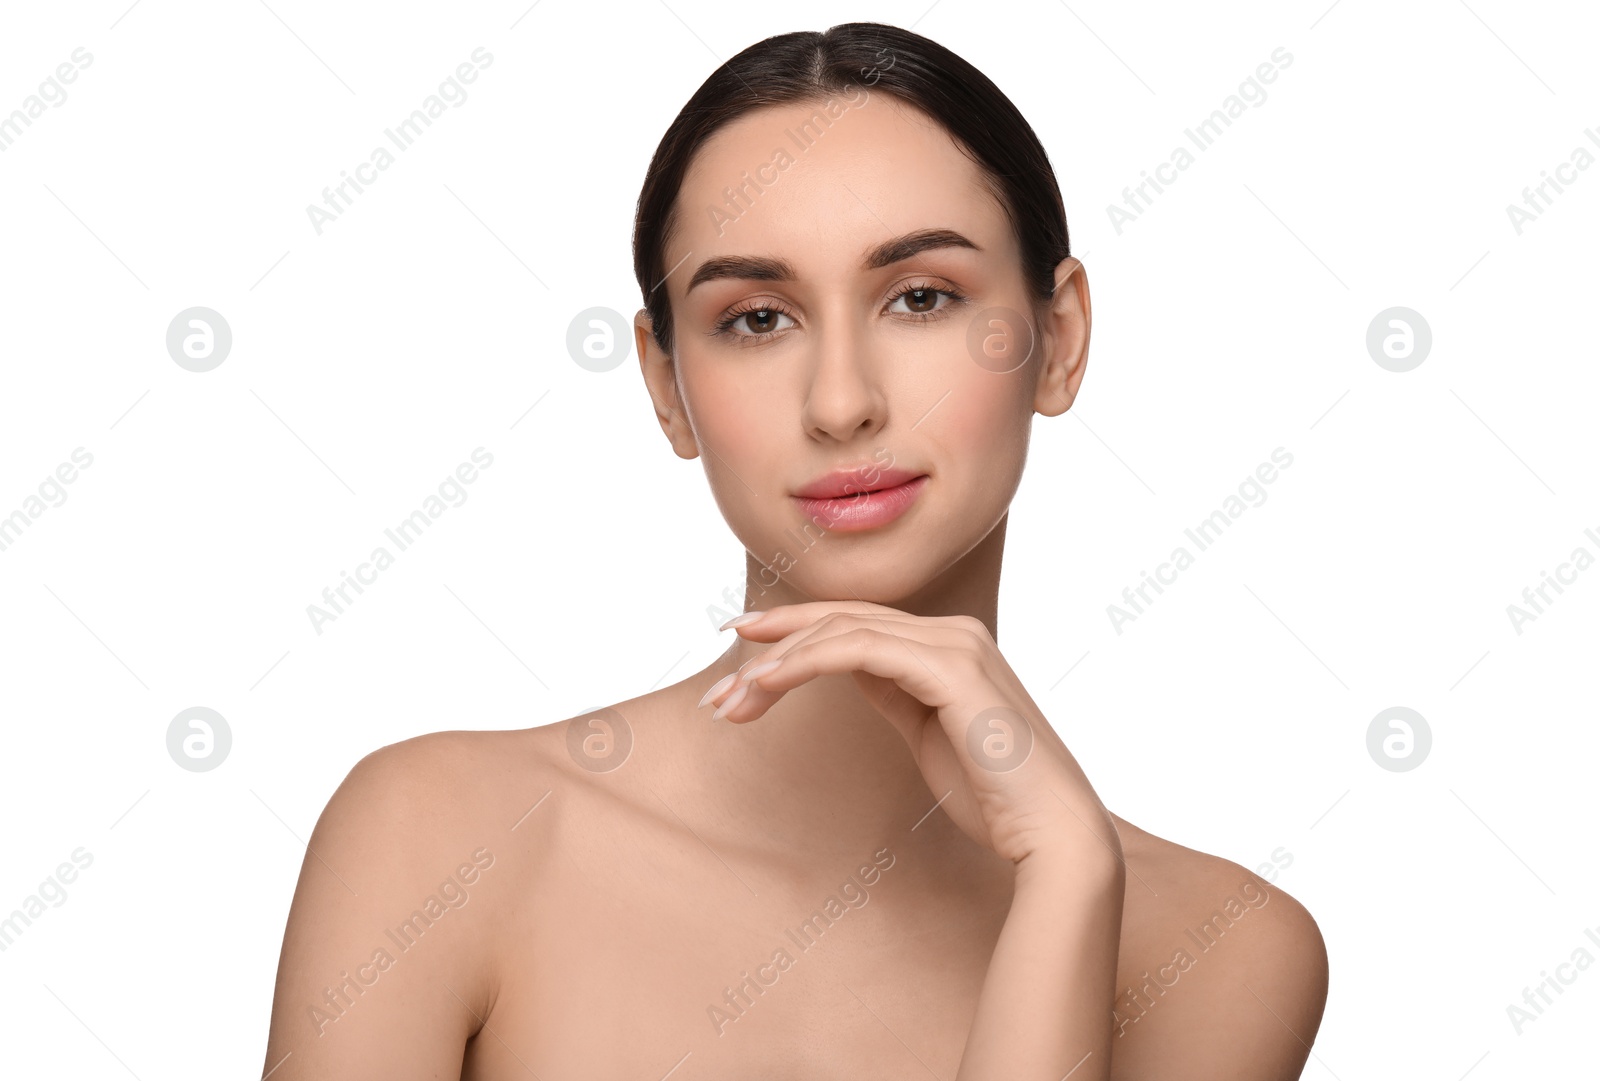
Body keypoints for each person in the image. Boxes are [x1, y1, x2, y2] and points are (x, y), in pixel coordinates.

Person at [262, 21, 1327, 1079]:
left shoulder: (1218, 951)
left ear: (1060, 341)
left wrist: (1063, 878)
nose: (841, 403)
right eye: (757, 319)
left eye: (921, 298)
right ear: (665, 385)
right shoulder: (439, 840)